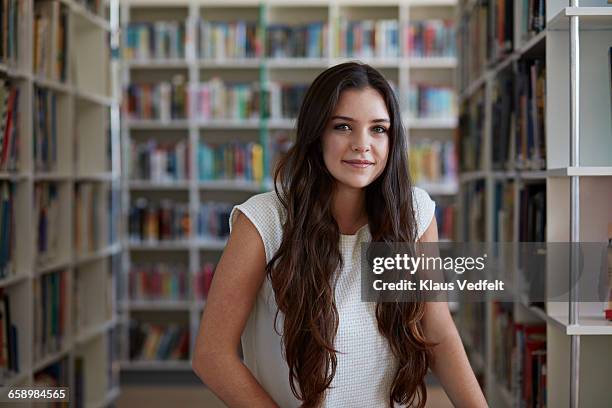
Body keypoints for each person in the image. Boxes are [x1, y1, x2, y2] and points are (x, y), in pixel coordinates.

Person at [193, 62, 487, 408]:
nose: (362, 145)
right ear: (316, 134)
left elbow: (438, 330)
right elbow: (211, 355)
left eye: (378, 129)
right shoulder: (263, 220)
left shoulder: (415, 212)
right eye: (343, 127)